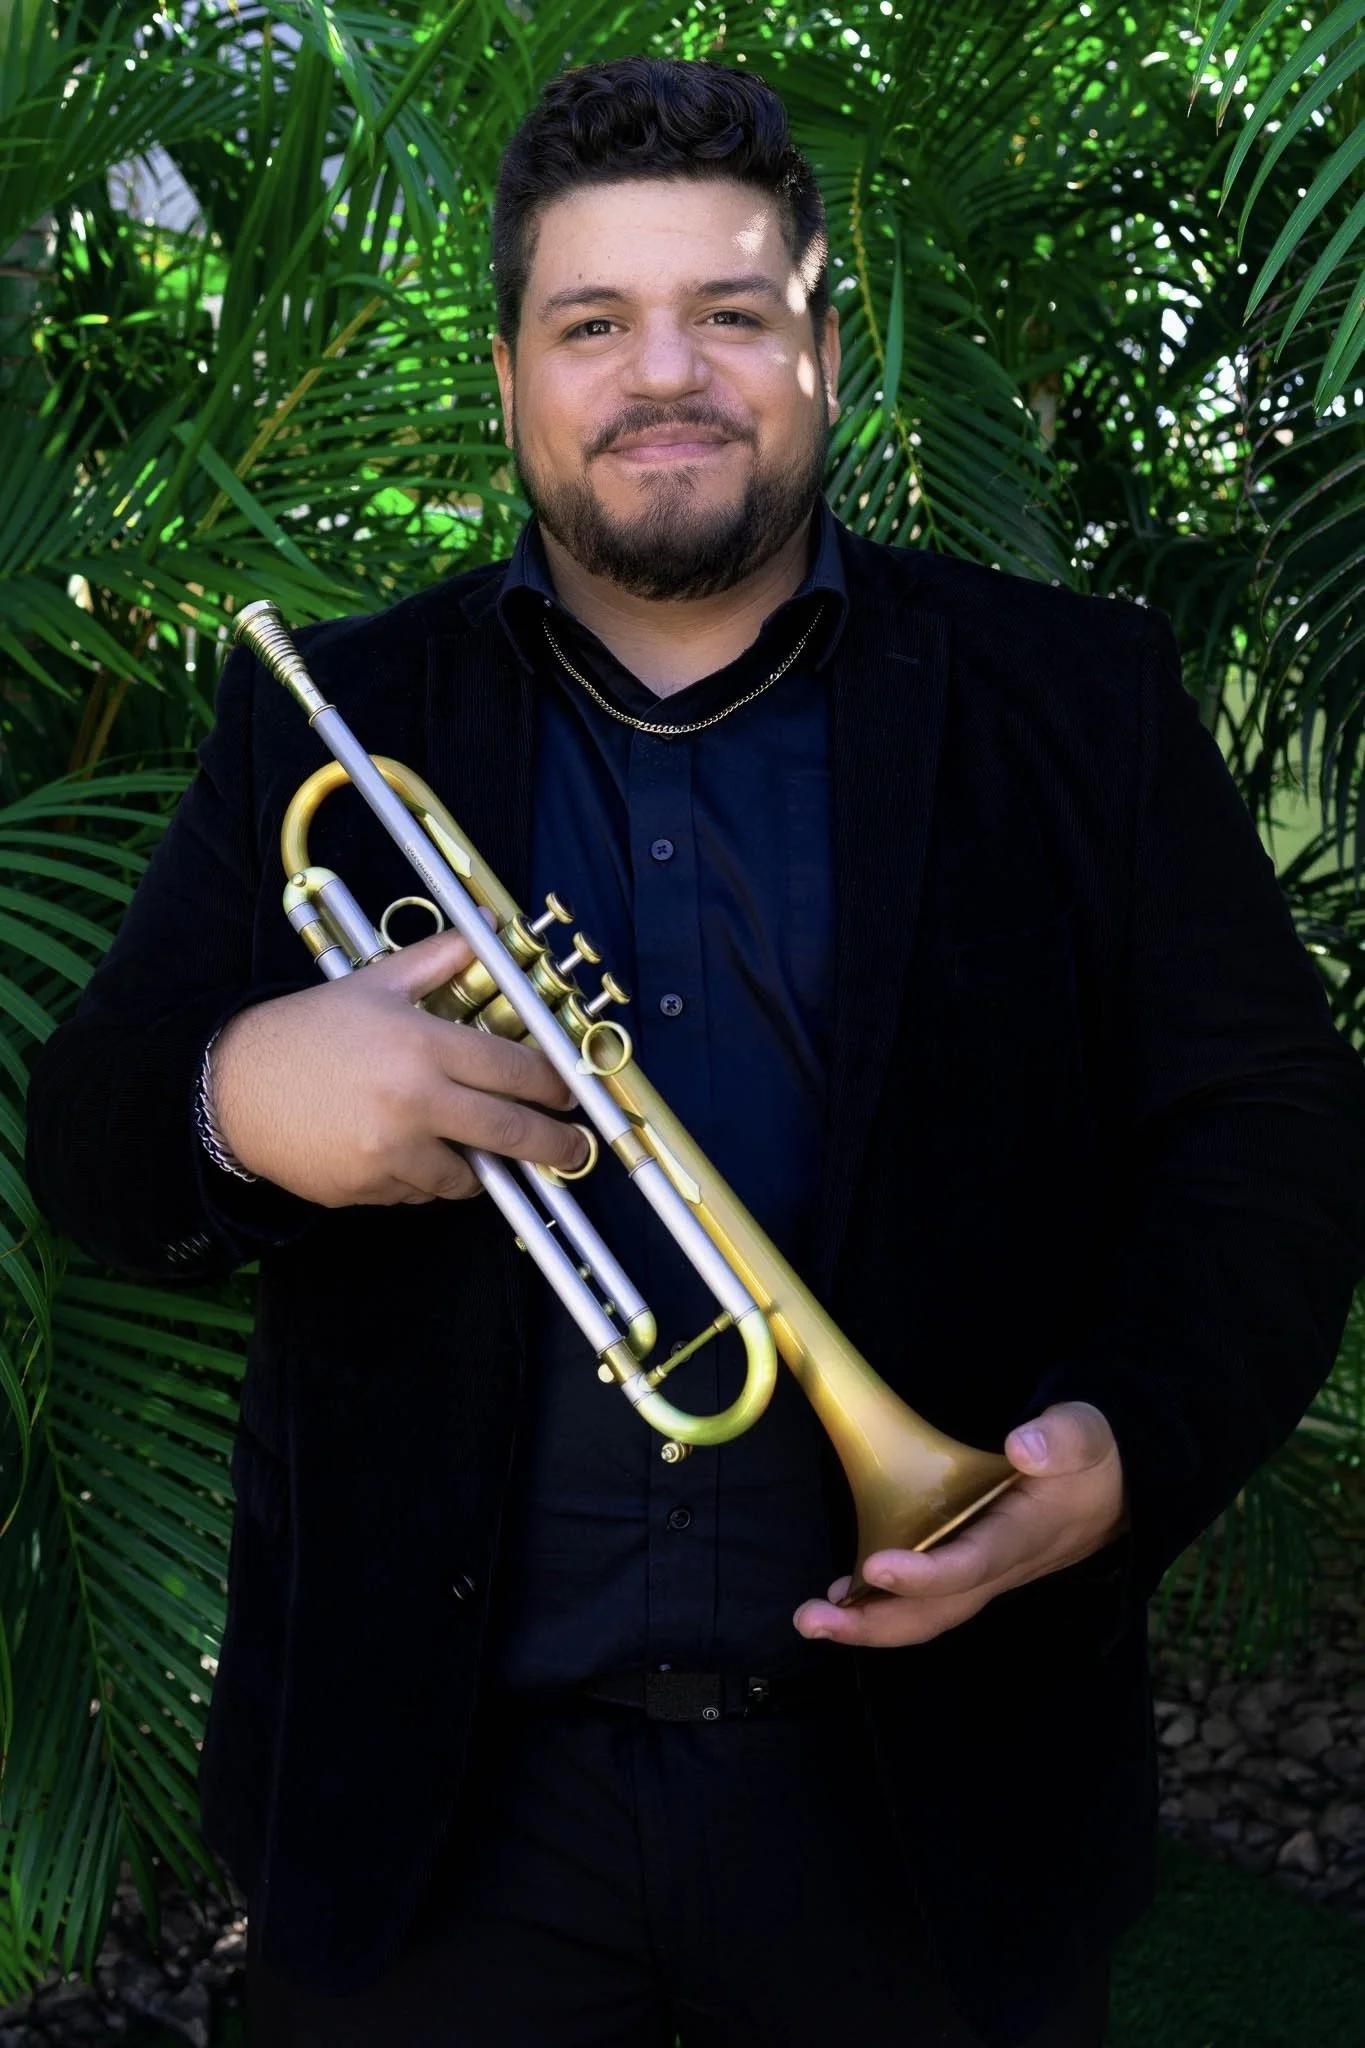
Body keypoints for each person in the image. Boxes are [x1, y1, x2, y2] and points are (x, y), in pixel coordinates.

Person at [25, 54, 1365, 2048]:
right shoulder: (333, 712)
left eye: (728, 313)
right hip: (439, 1818)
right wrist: (243, 1099)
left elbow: (1266, 1142)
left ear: (823, 351)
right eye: (594, 323)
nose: (667, 372)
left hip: (921, 1800)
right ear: (510, 379)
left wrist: (1126, 1447)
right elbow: (94, 1138)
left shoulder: (1071, 702)